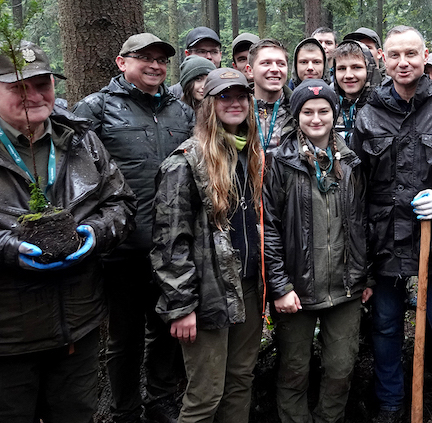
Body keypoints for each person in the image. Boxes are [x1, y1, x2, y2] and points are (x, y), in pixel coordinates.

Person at [0, 44, 136, 423]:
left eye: (42, 84)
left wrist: (95, 232)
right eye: (18, 87)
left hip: (78, 325)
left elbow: (122, 204)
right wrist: (7, 248)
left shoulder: (79, 139)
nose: (34, 95)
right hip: (8, 337)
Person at [351, 25, 432, 423]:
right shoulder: (368, 114)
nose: (403, 62)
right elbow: (357, 183)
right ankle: (390, 403)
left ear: (425, 55)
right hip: (383, 236)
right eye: (394, 55)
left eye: (410, 53)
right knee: (386, 326)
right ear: (382, 60)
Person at [73, 33, 194, 423]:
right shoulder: (96, 108)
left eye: (161, 59)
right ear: (121, 62)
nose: (155, 65)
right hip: (121, 249)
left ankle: (160, 400)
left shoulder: (180, 110)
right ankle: (124, 408)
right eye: (145, 58)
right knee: (122, 337)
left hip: (170, 247)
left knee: (167, 329)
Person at [151, 67, 264, 423]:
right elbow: (169, 242)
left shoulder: (252, 155)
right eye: (224, 96)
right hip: (207, 294)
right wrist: (181, 305)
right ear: (207, 104)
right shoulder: (184, 162)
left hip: (248, 285)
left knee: (240, 381)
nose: (235, 103)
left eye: (241, 96)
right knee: (205, 395)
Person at [263, 79, 370, 423]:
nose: (316, 118)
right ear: (297, 116)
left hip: (346, 287)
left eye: (324, 110)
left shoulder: (352, 161)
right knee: (294, 369)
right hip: (297, 288)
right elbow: (269, 226)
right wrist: (280, 286)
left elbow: (363, 221)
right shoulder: (280, 162)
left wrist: (363, 274)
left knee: (341, 367)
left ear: (334, 113)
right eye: (307, 112)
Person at [246, 38, 296, 152]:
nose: (275, 69)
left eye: (281, 64)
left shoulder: (298, 109)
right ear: (250, 70)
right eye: (266, 63)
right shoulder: (238, 109)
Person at [331, 40, 382, 144]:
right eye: (342, 68)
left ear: (369, 69)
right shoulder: (328, 106)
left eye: (356, 67)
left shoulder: (383, 107)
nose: (348, 75)